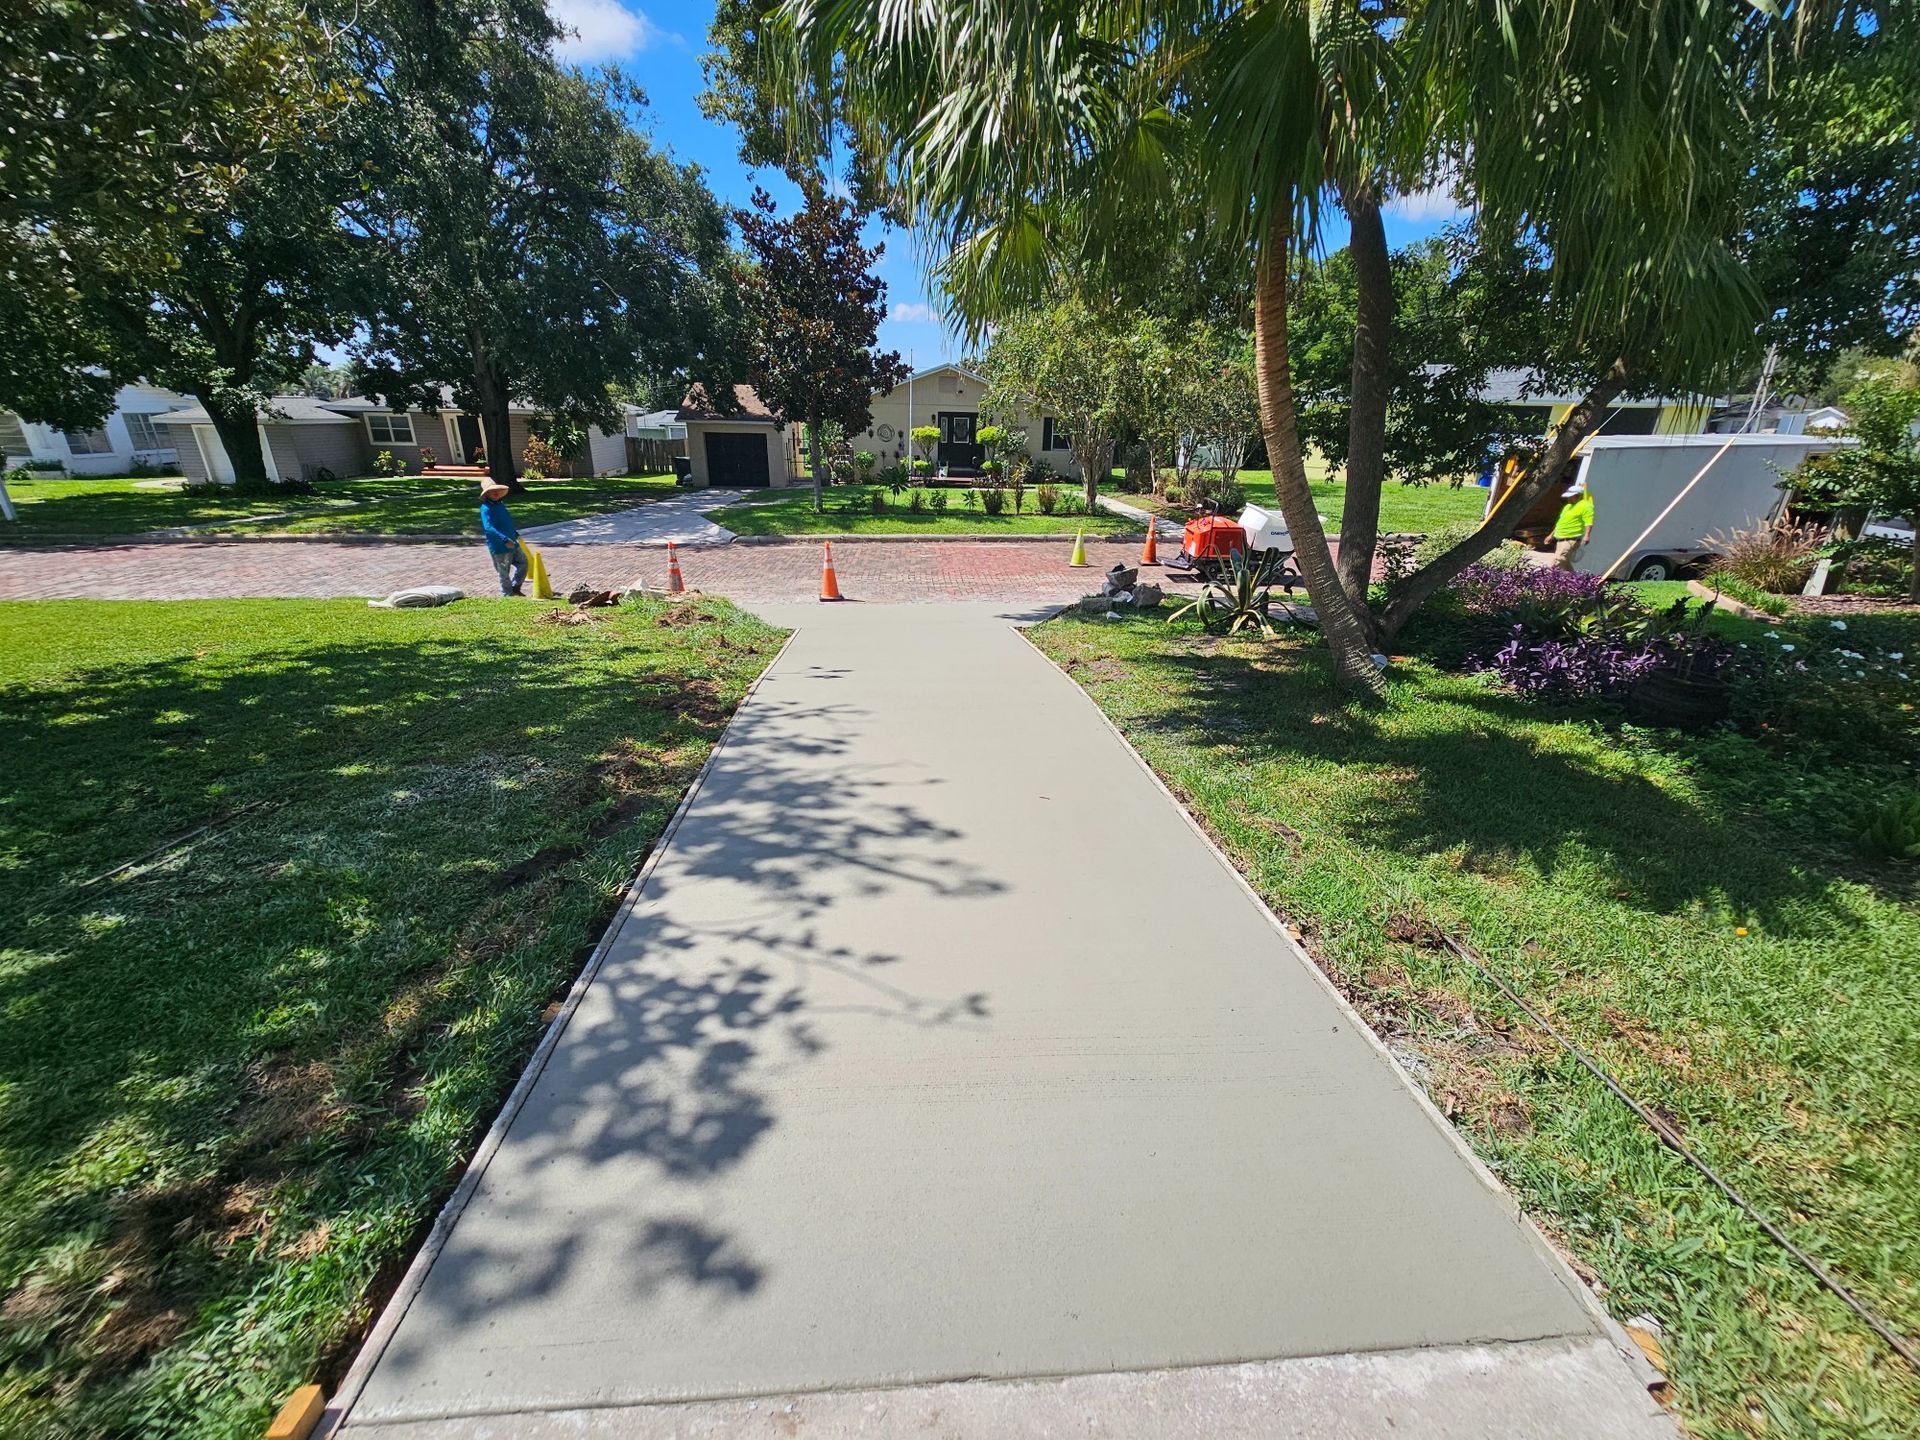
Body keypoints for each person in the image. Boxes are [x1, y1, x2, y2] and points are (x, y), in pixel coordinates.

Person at [479, 479, 527, 595]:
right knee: (504, 572)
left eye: (497, 490)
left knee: (524, 563)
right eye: (492, 491)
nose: (495, 493)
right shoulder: (485, 508)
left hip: (513, 542)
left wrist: (514, 534)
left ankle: (515, 587)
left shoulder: (500, 505)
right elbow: (488, 527)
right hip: (499, 546)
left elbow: (506, 522)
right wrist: (504, 539)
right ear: (487, 494)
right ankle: (507, 594)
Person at [1551, 478, 1594, 569]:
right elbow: (1560, 522)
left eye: (1571, 496)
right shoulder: (1567, 507)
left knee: (1557, 561)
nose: (1568, 498)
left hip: (1570, 540)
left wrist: (1587, 536)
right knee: (1565, 564)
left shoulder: (1585, 506)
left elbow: (1588, 522)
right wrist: (1550, 535)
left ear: (1578, 496)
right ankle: (1577, 581)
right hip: (1560, 539)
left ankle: (1545, 580)